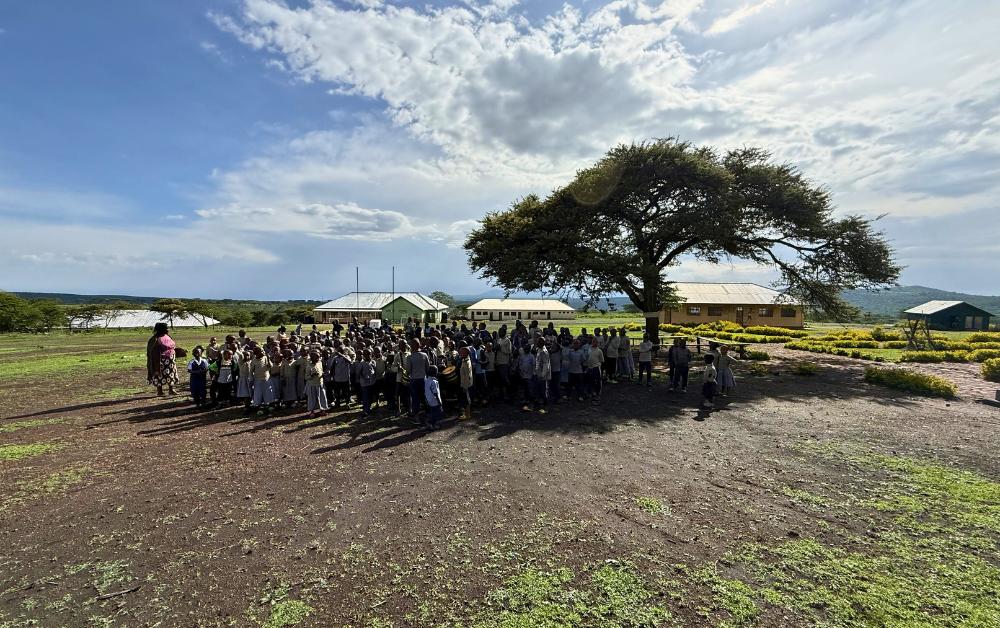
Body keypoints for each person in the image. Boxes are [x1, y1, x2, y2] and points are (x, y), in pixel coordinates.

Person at [146, 322, 178, 396]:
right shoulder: (154, 339)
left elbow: (172, 346)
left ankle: (171, 390)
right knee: (159, 375)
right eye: (166, 328)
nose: (168, 329)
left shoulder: (168, 336)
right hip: (160, 361)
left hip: (170, 361)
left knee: (171, 374)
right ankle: (159, 391)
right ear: (161, 329)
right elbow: (150, 352)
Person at [406, 340, 430, 417]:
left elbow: (408, 370)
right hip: (423, 378)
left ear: (411, 347)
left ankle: (415, 412)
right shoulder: (424, 355)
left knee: (415, 396)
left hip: (414, 379)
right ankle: (427, 410)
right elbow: (427, 368)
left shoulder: (409, 357)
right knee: (424, 395)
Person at [304, 350, 329, 417]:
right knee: (312, 399)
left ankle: (322, 410)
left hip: (320, 383)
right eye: (316, 357)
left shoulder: (319, 363)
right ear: (312, 358)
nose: (318, 359)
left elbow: (321, 371)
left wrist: (324, 374)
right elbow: (306, 377)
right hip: (312, 385)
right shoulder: (309, 366)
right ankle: (312, 411)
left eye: (319, 357)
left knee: (322, 397)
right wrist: (312, 375)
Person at [424, 365, 444, 429]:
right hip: (435, 401)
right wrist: (439, 402)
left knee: (432, 412)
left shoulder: (427, 380)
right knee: (437, 413)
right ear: (435, 373)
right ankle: (433, 424)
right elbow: (436, 393)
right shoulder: (434, 382)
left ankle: (431, 424)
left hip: (429, 400)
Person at [585, 337, 604, 402]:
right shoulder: (589, 349)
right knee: (590, 380)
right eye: (593, 342)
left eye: (595, 342)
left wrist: (598, 366)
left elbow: (601, 360)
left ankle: (598, 393)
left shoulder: (599, 351)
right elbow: (587, 357)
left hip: (596, 367)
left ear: (597, 343)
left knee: (598, 381)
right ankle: (590, 392)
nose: (594, 343)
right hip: (589, 367)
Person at [358, 349, 377, 416]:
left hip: (372, 382)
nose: (367, 356)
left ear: (371, 354)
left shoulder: (373, 362)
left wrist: (374, 378)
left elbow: (375, 370)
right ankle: (366, 410)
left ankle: (368, 408)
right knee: (365, 397)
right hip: (364, 383)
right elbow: (358, 373)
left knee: (370, 396)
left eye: (368, 354)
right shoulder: (361, 363)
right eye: (365, 354)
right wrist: (363, 377)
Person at [458, 346, 474, 420]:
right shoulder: (465, 360)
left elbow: (467, 376)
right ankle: (466, 413)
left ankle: (468, 415)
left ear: (466, 353)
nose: (460, 353)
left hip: (466, 384)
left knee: (467, 400)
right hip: (464, 383)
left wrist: (465, 386)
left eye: (461, 352)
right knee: (465, 399)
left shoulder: (466, 363)